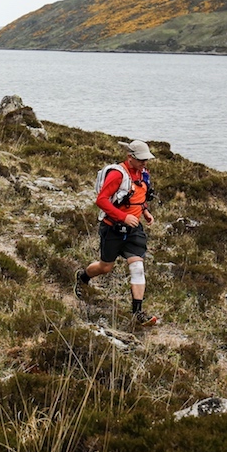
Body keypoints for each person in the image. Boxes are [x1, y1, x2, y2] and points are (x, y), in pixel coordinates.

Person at [74, 139, 160, 326]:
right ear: (130, 157)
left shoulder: (143, 173)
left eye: (146, 159)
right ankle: (83, 277)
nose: (144, 162)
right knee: (105, 267)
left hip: (134, 230)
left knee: (137, 267)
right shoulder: (117, 175)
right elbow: (101, 200)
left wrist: (145, 211)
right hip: (112, 228)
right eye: (141, 159)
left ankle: (137, 313)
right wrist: (123, 217)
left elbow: (138, 196)